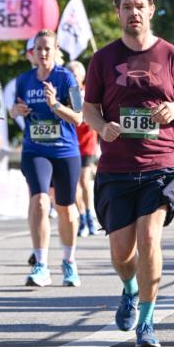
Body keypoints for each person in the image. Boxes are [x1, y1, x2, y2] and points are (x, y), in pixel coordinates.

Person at [83, 0, 174, 347]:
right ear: (118, 12)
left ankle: (147, 322)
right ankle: (130, 288)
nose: (134, 12)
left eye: (140, 6)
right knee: (122, 253)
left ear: (151, 10)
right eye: (127, 7)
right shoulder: (103, 59)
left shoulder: (171, 56)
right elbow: (89, 110)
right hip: (116, 167)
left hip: (160, 165)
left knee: (150, 239)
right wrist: (104, 127)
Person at [10, 29, 83, 287]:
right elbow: (13, 109)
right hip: (35, 149)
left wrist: (56, 105)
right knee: (40, 201)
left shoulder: (67, 79)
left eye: (47, 49)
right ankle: (41, 264)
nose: (42, 53)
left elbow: (79, 117)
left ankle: (69, 262)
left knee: (65, 208)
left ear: (56, 51)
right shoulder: (24, 80)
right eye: (38, 49)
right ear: (32, 52)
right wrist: (15, 110)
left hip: (65, 150)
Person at [66, 60, 98, 237]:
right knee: (74, 183)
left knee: (84, 179)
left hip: (87, 143)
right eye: (69, 73)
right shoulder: (64, 93)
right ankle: (83, 216)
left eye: (75, 74)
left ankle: (90, 214)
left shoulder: (89, 92)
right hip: (70, 143)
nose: (72, 77)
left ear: (82, 76)